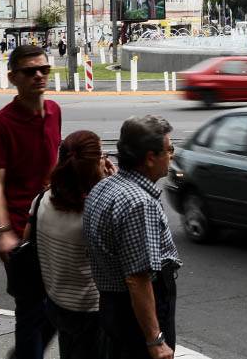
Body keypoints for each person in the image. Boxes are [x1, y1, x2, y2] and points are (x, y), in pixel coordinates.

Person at [0, 44, 61, 358]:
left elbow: (53, 164)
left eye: (44, 69)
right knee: (31, 310)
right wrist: (2, 232)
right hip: (20, 231)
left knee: (58, 304)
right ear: (13, 77)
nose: (39, 76)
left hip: (53, 225)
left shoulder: (54, 110)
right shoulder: (0, 123)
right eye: (30, 71)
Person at [84, 116, 180, 359]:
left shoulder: (104, 187)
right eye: (169, 150)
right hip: (135, 316)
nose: (172, 155)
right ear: (150, 158)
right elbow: (138, 279)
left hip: (112, 307)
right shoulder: (140, 203)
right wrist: (155, 339)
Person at [31, 130, 114, 359]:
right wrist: (109, 184)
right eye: (102, 156)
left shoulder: (41, 200)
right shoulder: (94, 214)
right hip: (89, 311)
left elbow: (31, 241)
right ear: (94, 167)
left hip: (56, 302)